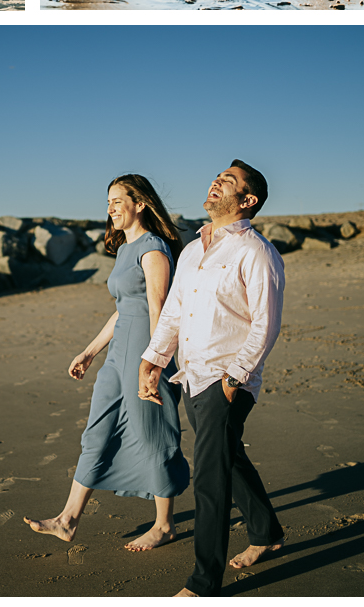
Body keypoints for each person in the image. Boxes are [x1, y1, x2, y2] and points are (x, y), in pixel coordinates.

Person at [138, 161, 285, 597]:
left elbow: (266, 323)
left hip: (226, 380)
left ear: (248, 200)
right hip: (192, 376)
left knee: (210, 478)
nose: (216, 182)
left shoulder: (256, 251)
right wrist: (153, 360)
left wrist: (234, 378)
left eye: (228, 181)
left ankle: (204, 582)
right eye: (217, 176)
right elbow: (174, 313)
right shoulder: (191, 250)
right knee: (228, 457)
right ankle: (266, 531)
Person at [24, 174, 190, 551]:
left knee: (153, 432)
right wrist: (89, 351)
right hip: (117, 356)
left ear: (140, 203)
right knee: (96, 432)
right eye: (108, 201)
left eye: (118, 200)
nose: (110, 208)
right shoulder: (124, 250)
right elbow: (122, 311)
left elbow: (158, 308)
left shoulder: (153, 248)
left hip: (146, 351)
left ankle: (165, 524)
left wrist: (155, 362)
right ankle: (67, 520)